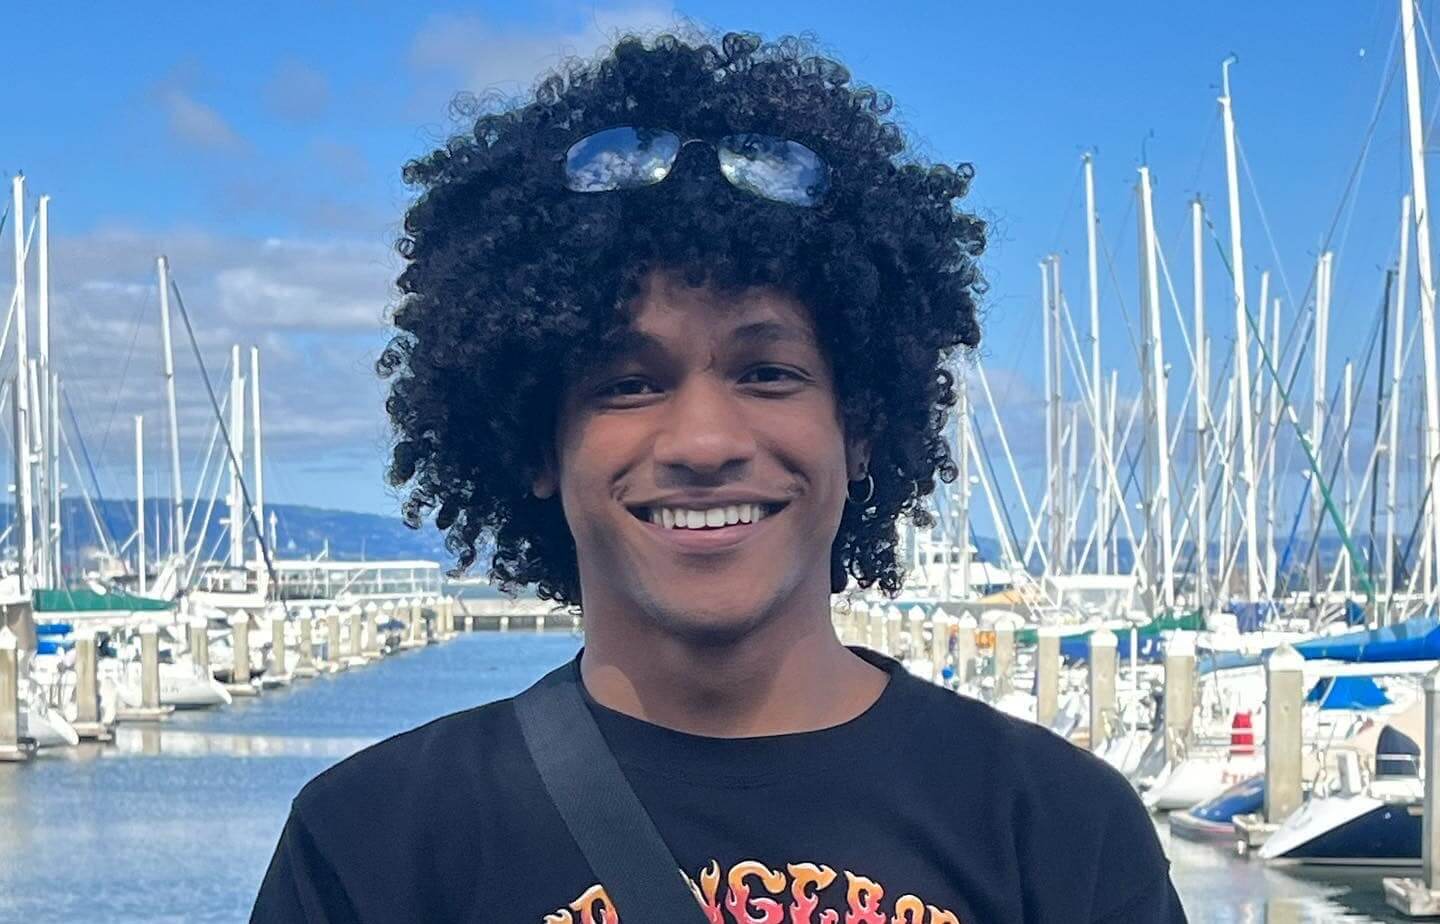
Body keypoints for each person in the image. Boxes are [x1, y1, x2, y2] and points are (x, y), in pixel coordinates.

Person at [252, 29, 1187, 923]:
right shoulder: (374, 843)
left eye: (767, 372)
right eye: (628, 383)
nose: (703, 441)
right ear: (538, 447)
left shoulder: (1058, 827)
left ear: (860, 429)